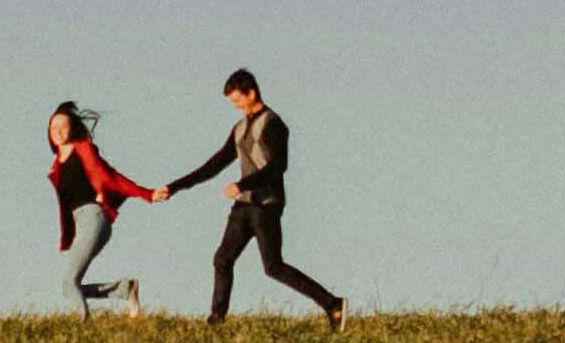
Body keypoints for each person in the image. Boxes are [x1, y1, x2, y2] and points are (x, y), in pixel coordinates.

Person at [168, 67, 347, 326]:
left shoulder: (273, 124)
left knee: (273, 266)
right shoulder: (239, 128)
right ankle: (217, 319)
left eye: (237, 100)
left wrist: (243, 184)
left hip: (266, 205)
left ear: (251, 93)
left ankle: (332, 304)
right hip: (242, 207)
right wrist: (176, 186)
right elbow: (216, 163)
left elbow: (278, 166)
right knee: (222, 259)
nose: (235, 106)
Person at [45, 102, 164, 316]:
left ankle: (83, 325)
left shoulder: (82, 149)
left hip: (93, 218)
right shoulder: (56, 166)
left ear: (72, 128)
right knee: (69, 286)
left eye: (63, 126)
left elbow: (110, 177)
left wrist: (147, 194)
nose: (58, 131)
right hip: (83, 223)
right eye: (53, 127)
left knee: (69, 283)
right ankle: (125, 289)